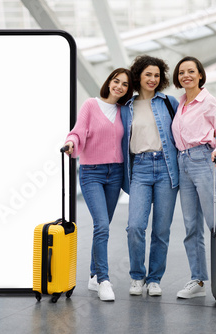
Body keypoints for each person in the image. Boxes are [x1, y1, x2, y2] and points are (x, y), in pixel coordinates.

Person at [64, 68, 133, 301]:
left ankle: (93, 276)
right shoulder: (90, 105)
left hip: (115, 173)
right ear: (109, 82)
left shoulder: (124, 111)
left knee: (102, 227)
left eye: (124, 84)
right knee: (102, 225)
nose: (119, 87)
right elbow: (77, 132)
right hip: (92, 172)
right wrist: (71, 143)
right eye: (116, 81)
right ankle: (104, 280)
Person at [171, 56, 216, 299]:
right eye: (181, 72)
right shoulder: (180, 104)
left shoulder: (209, 102)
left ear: (200, 75)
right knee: (191, 226)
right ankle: (198, 281)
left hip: (204, 160)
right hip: (183, 163)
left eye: (191, 71)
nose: (185, 75)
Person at [121, 55, 179, 297]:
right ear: (138, 76)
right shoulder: (126, 107)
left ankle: (154, 279)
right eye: (148, 75)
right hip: (140, 169)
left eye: (157, 75)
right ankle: (137, 276)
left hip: (166, 168)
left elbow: (184, 131)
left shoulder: (169, 102)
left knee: (161, 230)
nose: (153, 79)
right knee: (135, 226)